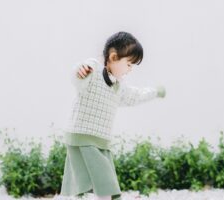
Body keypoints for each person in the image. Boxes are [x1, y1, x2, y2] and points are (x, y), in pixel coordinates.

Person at [59, 31, 166, 200]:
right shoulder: (92, 69)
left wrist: (155, 92)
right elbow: (77, 77)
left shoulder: (119, 86)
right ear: (114, 57)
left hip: (100, 141)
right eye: (129, 64)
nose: (130, 70)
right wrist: (80, 70)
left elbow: (135, 96)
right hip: (84, 138)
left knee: (94, 183)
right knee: (101, 183)